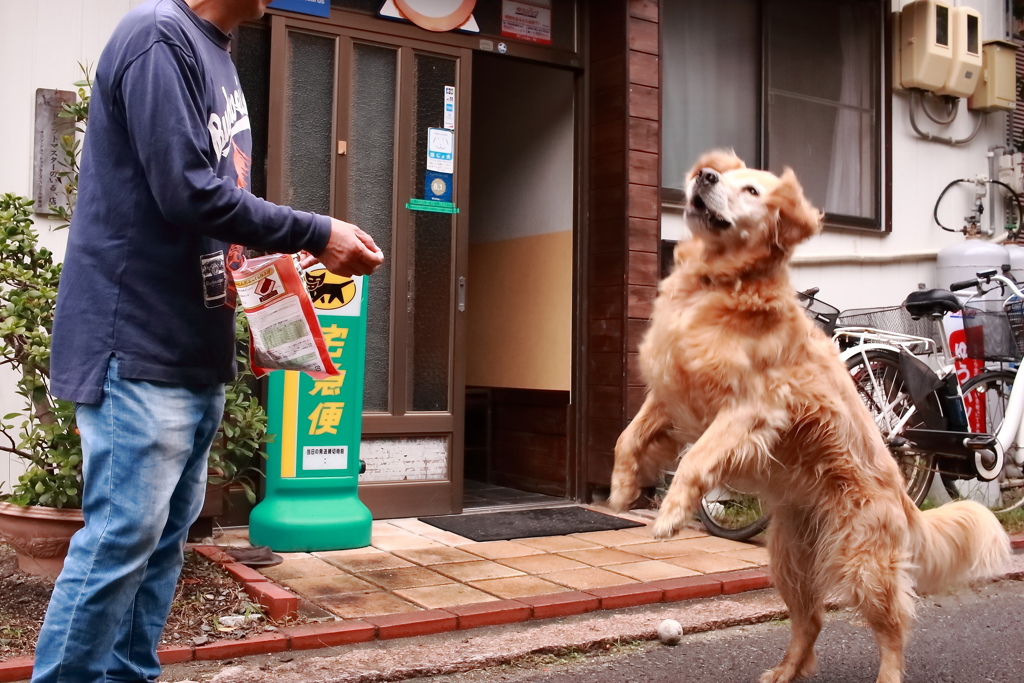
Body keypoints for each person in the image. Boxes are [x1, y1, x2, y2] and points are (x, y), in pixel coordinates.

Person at [33, 1, 383, 681]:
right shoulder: (157, 35)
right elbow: (185, 190)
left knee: (161, 545)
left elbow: (215, 204)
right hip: (135, 340)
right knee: (120, 542)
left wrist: (267, 277)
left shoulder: (217, 54)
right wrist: (316, 232)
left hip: (193, 347)